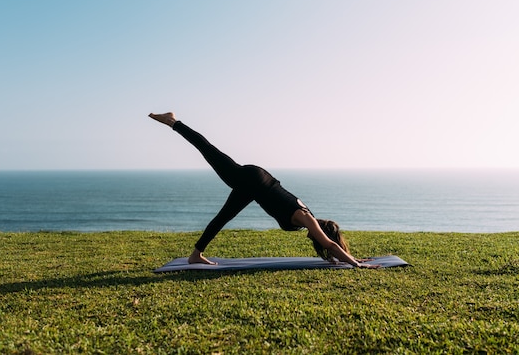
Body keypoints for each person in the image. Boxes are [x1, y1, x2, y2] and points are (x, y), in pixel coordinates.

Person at [149, 112, 380, 268]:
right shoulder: (305, 218)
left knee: (222, 217)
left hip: (257, 184)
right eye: (321, 238)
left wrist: (351, 258)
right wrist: (357, 265)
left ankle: (195, 254)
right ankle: (173, 122)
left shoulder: (306, 215)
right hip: (254, 181)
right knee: (209, 151)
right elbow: (330, 245)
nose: (316, 239)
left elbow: (332, 246)